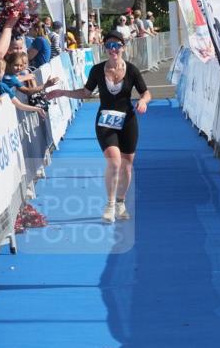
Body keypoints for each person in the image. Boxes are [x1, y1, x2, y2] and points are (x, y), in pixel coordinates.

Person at [48, 29, 150, 224]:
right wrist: (62, 92)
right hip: (105, 121)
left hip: (128, 121)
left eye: (117, 46)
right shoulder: (97, 70)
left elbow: (146, 92)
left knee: (127, 167)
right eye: (109, 46)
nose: (113, 49)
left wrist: (143, 101)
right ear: (105, 48)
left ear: (123, 47)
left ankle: (120, 203)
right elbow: (86, 93)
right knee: (114, 162)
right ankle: (110, 205)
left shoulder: (132, 70)